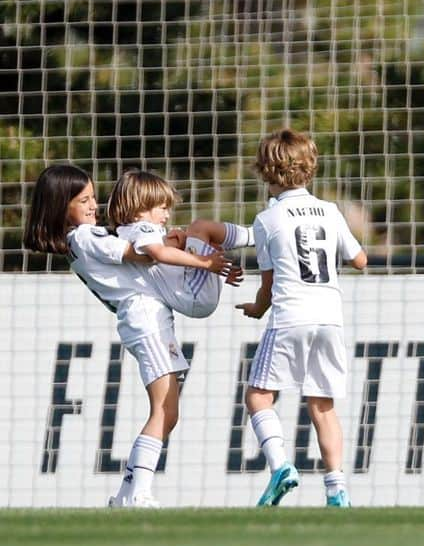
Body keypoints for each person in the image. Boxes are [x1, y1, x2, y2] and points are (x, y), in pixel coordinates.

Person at [23, 164, 249, 508]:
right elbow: (143, 255)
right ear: (60, 204)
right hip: (146, 320)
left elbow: (140, 250)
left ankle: (127, 494)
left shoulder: (86, 240)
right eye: (83, 200)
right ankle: (139, 493)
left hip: (149, 319)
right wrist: (204, 263)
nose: (93, 206)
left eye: (94, 198)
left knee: (167, 411)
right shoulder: (84, 237)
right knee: (164, 409)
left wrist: (168, 240)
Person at [236, 128, 367, 507]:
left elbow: (269, 281)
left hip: (292, 314)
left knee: (259, 397)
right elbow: (359, 260)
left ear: (265, 172)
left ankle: (280, 466)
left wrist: (258, 308)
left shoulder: (267, 219)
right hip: (329, 316)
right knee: (322, 405)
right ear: (309, 169)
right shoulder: (330, 211)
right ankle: (337, 490)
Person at [107, 169, 248, 318]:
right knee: (199, 227)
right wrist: (206, 262)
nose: (167, 215)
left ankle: (248, 239)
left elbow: (165, 264)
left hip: (191, 296)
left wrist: (220, 273)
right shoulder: (141, 229)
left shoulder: (133, 233)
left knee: (202, 239)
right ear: (140, 209)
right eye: (163, 208)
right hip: (191, 294)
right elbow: (160, 254)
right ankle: (252, 236)